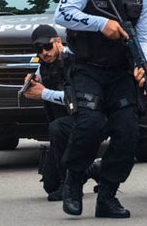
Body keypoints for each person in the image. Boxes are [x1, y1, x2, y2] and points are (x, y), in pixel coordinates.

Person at [54, 0, 147, 219]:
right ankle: (73, 181)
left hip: (121, 70)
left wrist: (141, 64)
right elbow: (61, 15)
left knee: (129, 131)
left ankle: (107, 194)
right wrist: (102, 25)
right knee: (91, 123)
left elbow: (145, 36)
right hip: (87, 67)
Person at [21, 24, 100, 201]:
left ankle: (71, 183)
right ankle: (95, 169)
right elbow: (40, 76)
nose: (44, 53)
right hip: (65, 125)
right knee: (50, 185)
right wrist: (32, 81)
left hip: (87, 121)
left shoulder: (75, 60)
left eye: (47, 47)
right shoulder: (44, 65)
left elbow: (81, 98)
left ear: (58, 41)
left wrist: (43, 93)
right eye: (38, 49)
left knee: (58, 128)